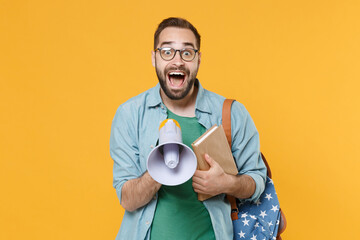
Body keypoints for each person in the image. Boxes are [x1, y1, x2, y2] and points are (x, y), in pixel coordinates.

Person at [110, 17, 267, 240]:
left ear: (198, 60)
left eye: (187, 53)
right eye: (167, 51)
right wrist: (159, 170)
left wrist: (226, 183)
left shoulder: (231, 113)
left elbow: (257, 182)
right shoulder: (130, 114)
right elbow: (128, 199)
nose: (177, 61)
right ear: (154, 58)